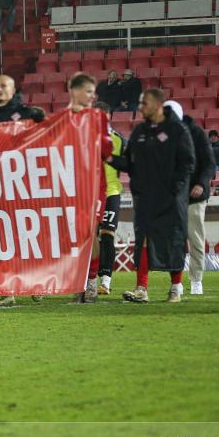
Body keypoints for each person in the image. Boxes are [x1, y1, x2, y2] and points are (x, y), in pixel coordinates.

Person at [107, 89, 195, 304]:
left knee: (173, 240)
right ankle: (141, 289)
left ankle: (175, 288)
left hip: (171, 199)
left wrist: (175, 189)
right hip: (146, 199)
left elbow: (188, 163)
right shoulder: (139, 132)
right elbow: (129, 164)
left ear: (157, 106)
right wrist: (108, 156)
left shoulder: (177, 130)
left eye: (143, 103)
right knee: (143, 241)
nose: (140, 107)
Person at [0, 75, 45, 305]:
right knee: (1, 237)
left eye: (3, 85)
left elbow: (49, 132)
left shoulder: (28, 114)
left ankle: (35, 283)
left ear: (13, 89)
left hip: (23, 184)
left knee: (27, 235)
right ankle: (8, 289)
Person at [66, 73, 114, 303]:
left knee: (90, 233)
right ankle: (78, 282)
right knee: (75, 236)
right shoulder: (63, 119)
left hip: (94, 186)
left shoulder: (98, 119)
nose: (90, 95)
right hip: (69, 186)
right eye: (86, 90)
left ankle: (92, 281)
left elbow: (106, 151)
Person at [165, 101, 215, 297]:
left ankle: (196, 279)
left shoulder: (197, 134)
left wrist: (201, 183)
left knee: (195, 239)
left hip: (195, 196)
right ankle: (176, 282)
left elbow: (209, 164)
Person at [93, 101, 125, 296]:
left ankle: (105, 280)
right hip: (90, 195)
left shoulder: (118, 140)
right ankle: (89, 281)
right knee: (89, 239)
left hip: (111, 193)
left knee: (107, 235)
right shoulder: (84, 139)